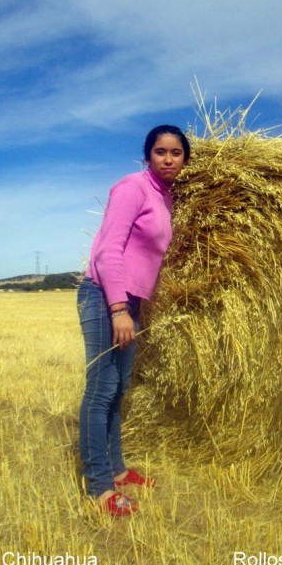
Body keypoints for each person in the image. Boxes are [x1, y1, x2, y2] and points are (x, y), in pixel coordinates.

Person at [76, 125, 190, 517]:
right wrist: (118, 308)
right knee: (102, 389)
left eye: (176, 153)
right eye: (161, 152)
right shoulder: (132, 187)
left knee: (120, 387)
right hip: (105, 296)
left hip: (131, 303)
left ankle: (117, 470)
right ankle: (100, 488)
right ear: (148, 156)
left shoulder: (164, 197)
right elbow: (109, 250)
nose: (169, 159)